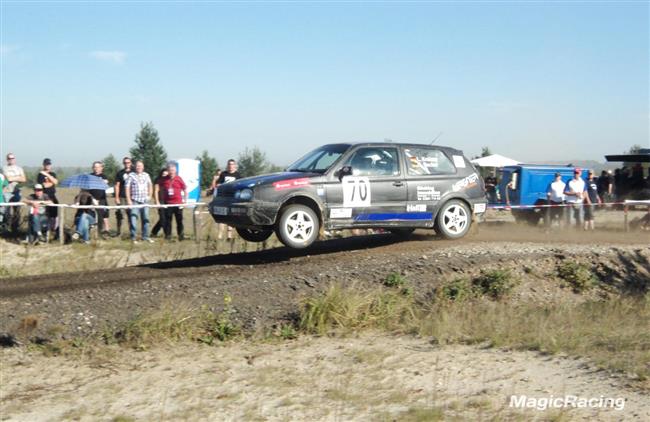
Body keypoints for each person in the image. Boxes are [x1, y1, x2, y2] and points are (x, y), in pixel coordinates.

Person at [125, 160, 154, 243]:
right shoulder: (131, 175)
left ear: (143, 167)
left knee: (146, 219)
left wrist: (150, 196)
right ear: (135, 167)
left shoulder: (146, 175)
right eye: (137, 166)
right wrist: (128, 200)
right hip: (135, 201)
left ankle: (145, 237)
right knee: (133, 219)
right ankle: (133, 237)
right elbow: (127, 188)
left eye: (140, 166)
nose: (139, 167)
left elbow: (150, 185)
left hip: (145, 201)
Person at [214, 159, 241, 240]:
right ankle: (220, 236)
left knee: (230, 217)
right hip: (223, 199)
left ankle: (229, 236)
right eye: (229, 164)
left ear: (235, 165)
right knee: (222, 216)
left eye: (232, 164)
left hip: (232, 199)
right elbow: (218, 184)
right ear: (227, 165)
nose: (230, 166)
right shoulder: (223, 174)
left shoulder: (238, 175)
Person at [160, 162, 187, 241]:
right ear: (168, 171)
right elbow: (161, 190)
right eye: (170, 170)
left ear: (175, 171)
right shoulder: (164, 179)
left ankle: (181, 236)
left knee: (179, 220)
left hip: (178, 203)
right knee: (168, 221)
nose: (171, 172)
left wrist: (185, 201)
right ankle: (168, 236)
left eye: (173, 170)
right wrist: (161, 200)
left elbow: (185, 189)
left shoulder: (179, 179)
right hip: (168, 203)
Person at [3, 153, 26, 234]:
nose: (11, 159)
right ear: (7, 159)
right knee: (6, 211)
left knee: (17, 211)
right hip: (6, 192)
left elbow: (23, 179)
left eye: (12, 158)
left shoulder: (19, 168)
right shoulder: (3, 168)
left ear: (15, 159)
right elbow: (6, 178)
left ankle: (15, 229)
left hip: (16, 192)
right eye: (9, 158)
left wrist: (12, 178)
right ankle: (5, 229)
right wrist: (17, 177)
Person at [36, 158, 59, 237]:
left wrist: (47, 175)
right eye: (46, 164)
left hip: (52, 196)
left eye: (49, 164)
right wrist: (50, 182)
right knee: (44, 214)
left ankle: (54, 230)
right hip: (44, 196)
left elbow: (55, 182)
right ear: (43, 165)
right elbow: (44, 186)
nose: (48, 166)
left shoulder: (52, 174)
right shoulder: (40, 175)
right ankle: (43, 231)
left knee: (54, 214)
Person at [88, 161, 110, 238]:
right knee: (91, 216)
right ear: (93, 168)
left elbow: (106, 182)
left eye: (98, 167)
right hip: (91, 199)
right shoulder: (90, 176)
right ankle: (91, 232)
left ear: (101, 168)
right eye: (95, 167)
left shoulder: (103, 176)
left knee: (103, 216)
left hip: (102, 199)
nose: (96, 169)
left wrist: (100, 181)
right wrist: (92, 198)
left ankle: (104, 232)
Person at [114, 157, 133, 236]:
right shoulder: (120, 173)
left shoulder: (134, 172)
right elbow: (117, 186)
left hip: (132, 197)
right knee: (120, 215)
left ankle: (132, 232)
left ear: (131, 163)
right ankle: (119, 232)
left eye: (128, 162)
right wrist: (116, 197)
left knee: (131, 216)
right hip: (122, 197)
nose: (127, 164)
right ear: (123, 163)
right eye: (125, 163)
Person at [151, 168, 169, 237]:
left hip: (167, 201)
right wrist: (157, 201)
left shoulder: (168, 180)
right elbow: (155, 191)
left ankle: (154, 231)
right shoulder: (158, 180)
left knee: (166, 218)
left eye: (166, 174)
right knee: (162, 218)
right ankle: (167, 234)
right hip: (160, 201)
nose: (164, 176)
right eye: (163, 174)